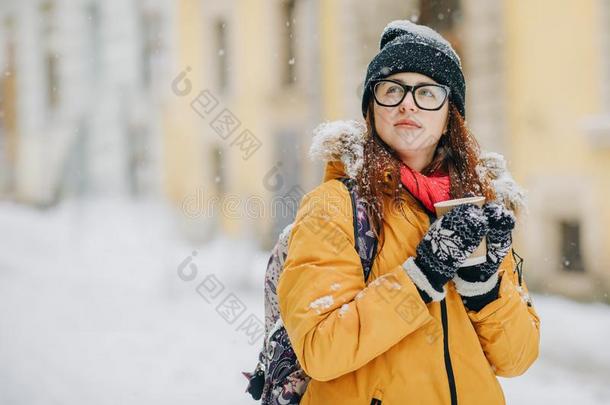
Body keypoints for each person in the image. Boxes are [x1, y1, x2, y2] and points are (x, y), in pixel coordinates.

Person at [276, 20, 540, 404]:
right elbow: (319, 348)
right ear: (371, 108)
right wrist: (420, 278)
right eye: (391, 89)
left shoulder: (477, 208)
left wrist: (485, 291)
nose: (407, 103)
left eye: (427, 92)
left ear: (451, 112)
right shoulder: (335, 205)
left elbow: (517, 359)